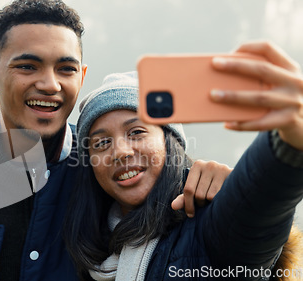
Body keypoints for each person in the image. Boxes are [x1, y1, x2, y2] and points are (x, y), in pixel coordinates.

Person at [0, 1, 232, 280]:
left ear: (82, 75)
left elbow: (183, 216)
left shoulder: (105, 169)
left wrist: (224, 185)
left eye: (66, 68)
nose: (50, 84)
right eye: (27, 66)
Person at [63, 41, 303, 281]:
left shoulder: (209, 220)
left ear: (170, 142)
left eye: (136, 132)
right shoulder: (83, 252)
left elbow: (260, 203)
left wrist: (289, 138)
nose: (120, 152)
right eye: (101, 143)